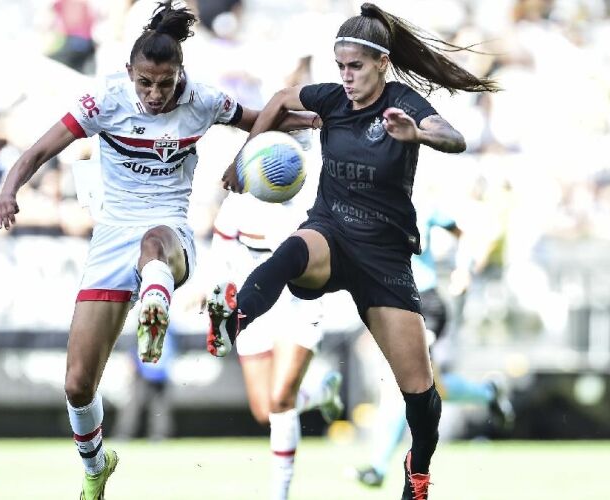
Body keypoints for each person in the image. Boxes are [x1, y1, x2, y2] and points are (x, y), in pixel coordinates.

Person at [0, 3, 316, 498]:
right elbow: (39, 150)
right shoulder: (104, 101)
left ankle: (156, 303)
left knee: (153, 246)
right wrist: (9, 190)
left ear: (180, 74)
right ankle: (97, 463)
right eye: (146, 82)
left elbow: (266, 116)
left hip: (169, 235)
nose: (156, 94)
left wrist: (316, 120)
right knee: (78, 384)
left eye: (165, 83)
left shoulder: (203, 100)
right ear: (130, 73)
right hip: (110, 237)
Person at [204, 3, 497, 498]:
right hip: (333, 233)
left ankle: (417, 473)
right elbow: (277, 100)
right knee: (292, 251)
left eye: (355, 66)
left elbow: (456, 138)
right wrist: (244, 156)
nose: (345, 76)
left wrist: (416, 132)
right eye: (340, 66)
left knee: (422, 399)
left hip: (384, 258)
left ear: (381, 63)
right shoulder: (333, 100)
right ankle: (232, 319)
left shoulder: (403, 102)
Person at [355, 204, 515, 488]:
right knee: (435, 387)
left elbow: (464, 232)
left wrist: (464, 270)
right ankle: (488, 393)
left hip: (424, 305)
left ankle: (378, 467)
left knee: (399, 385)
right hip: (392, 308)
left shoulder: (421, 207)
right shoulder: (361, 207)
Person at [210, 191, 344, 499]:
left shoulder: (312, 198)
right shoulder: (237, 204)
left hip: (299, 303)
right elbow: (221, 257)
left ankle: (279, 494)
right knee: (264, 410)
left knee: (281, 399)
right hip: (253, 304)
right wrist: (211, 291)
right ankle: (323, 391)